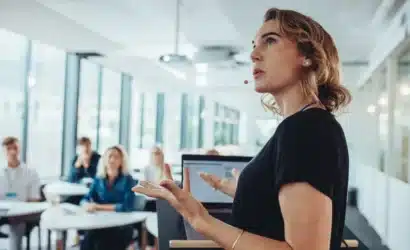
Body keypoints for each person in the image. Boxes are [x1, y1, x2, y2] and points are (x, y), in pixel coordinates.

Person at [133, 7, 351, 250]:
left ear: (308, 56)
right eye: (254, 44)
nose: (254, 54)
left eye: (270, 41)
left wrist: (202, 220)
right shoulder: (303, 126)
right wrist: (248, 193)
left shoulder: (306, 129)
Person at [80, 145, 136, 250]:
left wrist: (98, 207)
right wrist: (86, 205)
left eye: (116, 157)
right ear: (104, 160)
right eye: (109, 156)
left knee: (104, 242)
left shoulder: (128, 179)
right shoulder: (98, 179)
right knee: (87, 241)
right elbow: (85, 199)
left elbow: (127, 206)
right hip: (100, 222)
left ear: (121, 161)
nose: (112, 160)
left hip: (121, 225)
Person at [0, 136, 41, 250]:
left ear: (19, 150)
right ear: (4, 151)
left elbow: (34, 201)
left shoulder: (31, 173)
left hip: (21, 215)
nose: (12, 152)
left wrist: (19, 211)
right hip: (1, 213)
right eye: (8, 149)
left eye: (15, 148)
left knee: (17, 222)